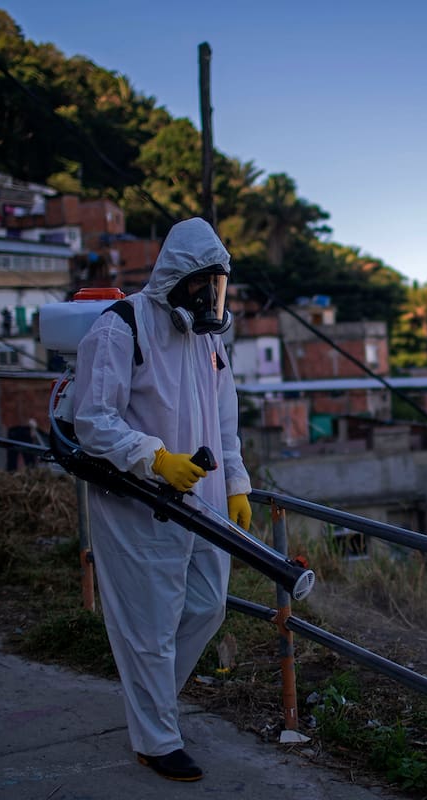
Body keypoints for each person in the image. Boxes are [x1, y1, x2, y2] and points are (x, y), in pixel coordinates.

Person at [72, 218, 252, 783]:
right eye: (202, 286)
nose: (209, 299)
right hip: (139, 499)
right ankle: (156, 739)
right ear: (177, 278)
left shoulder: (209, 341)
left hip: (204, 498)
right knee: (150, 623)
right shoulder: (120, 329)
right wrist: (153, 457)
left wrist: (239, 481)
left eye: (217, 287)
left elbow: (226, 418)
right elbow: (92, 420)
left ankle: (152, 707)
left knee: (206, 605)